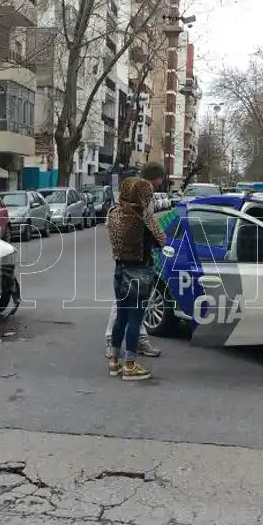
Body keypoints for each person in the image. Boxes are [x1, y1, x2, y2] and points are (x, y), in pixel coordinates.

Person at [105, 161, 167, 382]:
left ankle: (114, 361)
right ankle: (130, 365)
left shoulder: (114, 214)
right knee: (135, 319)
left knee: (120, 318)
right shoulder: (143, 218)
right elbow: (161, 239)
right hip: (139, 271)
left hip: (119, 270)